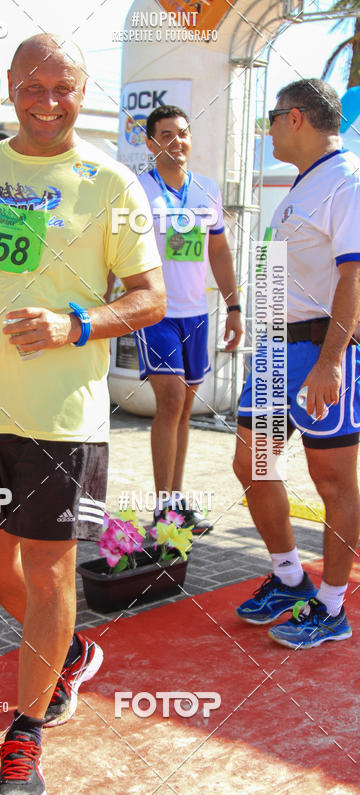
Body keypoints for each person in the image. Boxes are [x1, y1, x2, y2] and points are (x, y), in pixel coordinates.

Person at [0, 34, 165, 795]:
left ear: (82, 92)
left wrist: (76, 324)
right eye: (34, 86)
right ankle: (69, 652)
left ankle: (24, 733)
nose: (49, 102)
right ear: (11, 88)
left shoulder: (110, 180)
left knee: (53, 571)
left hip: (65, 416)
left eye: (65, 88)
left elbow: (149, 297)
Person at [233, 78, 360, 649]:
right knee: (252, 462)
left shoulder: (348, 180)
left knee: (333, 480)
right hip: (278, 353)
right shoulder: (304, 183)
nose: (268, 126)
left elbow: (355, 275)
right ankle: (289, 577)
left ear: (298, 118)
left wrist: (331, 361)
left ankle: (332, 607)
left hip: (320, 351)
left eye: (273, 115)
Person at [133, 105, 242, 533]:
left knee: (184, 411)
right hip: (154, 310)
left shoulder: (206, 189)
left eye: (182, 133)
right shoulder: (137, 189)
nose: (176, 141)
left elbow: (218, 251)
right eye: (166, 135)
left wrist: (234, 308)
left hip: (197, 313)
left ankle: (175, 502)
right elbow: (115, 250)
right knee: (172, 401)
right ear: (149, 142)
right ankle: (163, 507)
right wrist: (103, 303)